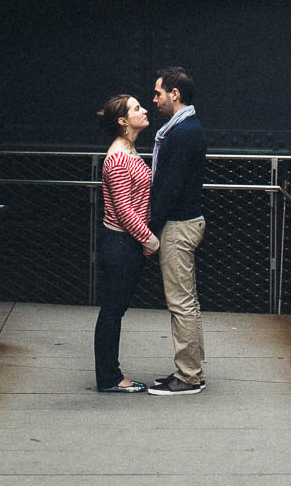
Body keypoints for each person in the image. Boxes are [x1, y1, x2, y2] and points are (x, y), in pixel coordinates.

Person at [145, 67, 207, 395]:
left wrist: (151, 228)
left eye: (158, 93)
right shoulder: (186, 129)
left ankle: (188, 377)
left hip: (179, 226)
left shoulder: (181, 133)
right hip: (186, 221)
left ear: (175, 95)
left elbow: (169, 187)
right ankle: (191, 370)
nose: (154, 100)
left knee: (181, 302)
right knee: (187, 301)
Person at [93, 93, 160, 393]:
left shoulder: (129, 151)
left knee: (113, 311)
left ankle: (110, 374)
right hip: (121, 243)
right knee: (111, 312)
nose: (144, 110)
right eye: (136, 108)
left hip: (125, 243)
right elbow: (123, 210)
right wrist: (150, 240)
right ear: (123, 121)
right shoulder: (119, 158)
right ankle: (109, 377)